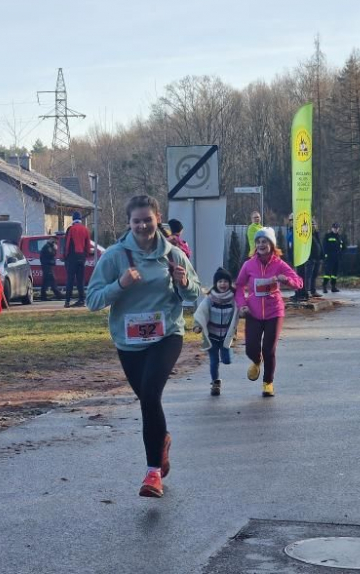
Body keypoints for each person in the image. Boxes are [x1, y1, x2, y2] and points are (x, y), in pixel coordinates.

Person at [86, 195, 200, 498]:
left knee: (150, 395)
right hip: (130, 340)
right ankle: (161, 440)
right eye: (136, 220)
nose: (142, 225)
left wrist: (184, 282)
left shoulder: (173, 254)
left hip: (167, 335)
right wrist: (120, 284)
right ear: (129, 223)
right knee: (149, 403)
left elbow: (195, 294)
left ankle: (152, 474)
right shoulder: (114, 256)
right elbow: (92, 300)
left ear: (157, 219)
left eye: (147, 219)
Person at [235, 227, 302, 397]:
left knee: (269, 349)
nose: (261, 244)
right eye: (258, 241)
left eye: (264, 241)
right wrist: (242, 305)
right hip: (254, 312)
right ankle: (256, 361)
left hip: (274, 312)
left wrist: (285, 279)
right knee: (251, 348)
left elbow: (298, 282)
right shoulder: (248, 264)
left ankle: (268, 382)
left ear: (271, 244)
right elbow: (239, 286)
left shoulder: (279, 264)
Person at [192, 268, 238, 396]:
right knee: (214, 361)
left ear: (229, 283)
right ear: (215, 283)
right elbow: (201, 313)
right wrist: (197, 326)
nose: (223, 284)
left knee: (226, 360)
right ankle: (215, 383)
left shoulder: (234, 299)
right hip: (211, 335)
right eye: (220, 281)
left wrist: (246, 313)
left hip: (226, 336)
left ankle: (228, 354)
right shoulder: (210, 299)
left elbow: (239, 311)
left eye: (225, 281)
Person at [64, 211, 91, 308]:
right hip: (82, 257)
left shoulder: (71, 229)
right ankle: (81, 300)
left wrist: (65, 256)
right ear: (80, 219)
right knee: (80, 280)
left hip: (72, 257)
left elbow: (67, 244)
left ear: (73, 219)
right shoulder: (85, 229)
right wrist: (86, 255)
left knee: (70, 279)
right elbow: (88, 245)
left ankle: (67, 301)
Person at [323, 223, 344, 293]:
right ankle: (324, 286)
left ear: (338, 229)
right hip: (329, 257)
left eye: (337, 228)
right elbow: (324, 246)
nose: (336, 229)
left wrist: (341, 254)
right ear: (332, 228)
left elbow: (342, 247)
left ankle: (333, 287)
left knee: (334, 274)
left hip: (337, 258)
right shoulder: (328, 236)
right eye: (334, 228)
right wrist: (326, 255)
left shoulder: (339, 237)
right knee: (327, 273)